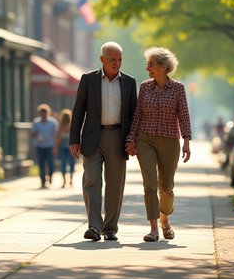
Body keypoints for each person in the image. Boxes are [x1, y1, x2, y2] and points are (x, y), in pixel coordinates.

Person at [70, 42, 137, 242]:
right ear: (102, 60)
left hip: (118, 137)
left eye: (119, 60)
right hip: (92, 137)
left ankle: (110, 228)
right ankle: (94, 226)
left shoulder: (129, 82)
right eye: (112, 60)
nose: (117, 63)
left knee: (115, 185)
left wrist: (132, 140)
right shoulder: (88, 79)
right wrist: (74, 139)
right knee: (91, 180)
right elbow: (78, 110)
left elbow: (134, 115)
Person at [125, 46, 192, 243]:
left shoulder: (178, 88)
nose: (147, 68)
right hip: (145, 139)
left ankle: (165, 220)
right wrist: (131, 138)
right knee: (149, 184)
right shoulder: (145, 87)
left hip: (169, 140)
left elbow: (184, 115)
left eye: (151, 64)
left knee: (166, 187)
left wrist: (186, 141)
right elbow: (137, 115)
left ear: (163, 67)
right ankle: (153, 229)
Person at [31, 103, 58, 189]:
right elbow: (32, 133)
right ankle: (43, 182)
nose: (43, 114)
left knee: (51, 164)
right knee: (41, 165)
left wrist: (56, 146)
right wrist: (36, 135)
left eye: (45, 112)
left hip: (50, 146)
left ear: (48, 113)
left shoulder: (53, 122)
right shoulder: (36, 122)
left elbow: (56, 134)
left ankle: (50, 177)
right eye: (42, 113)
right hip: (40, 146)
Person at [54, 108, 75, 188]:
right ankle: (69, 181)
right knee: (69, 164)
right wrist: (55, 147)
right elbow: (57, 137)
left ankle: (66, 181)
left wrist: (55, 147)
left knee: (65, 164)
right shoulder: (63, 126)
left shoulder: (66, 126)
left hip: (66, 147)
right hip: (69, 147)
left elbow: (57, 138)